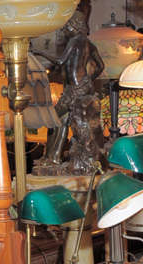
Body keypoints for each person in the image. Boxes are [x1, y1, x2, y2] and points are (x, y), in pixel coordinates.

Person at [36, 10, 105, 174]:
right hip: (83, 86)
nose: (64, 30)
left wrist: (39, 53)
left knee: (53, 119)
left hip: (74, 89)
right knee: (62, 120)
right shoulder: (88, 43)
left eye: (66, 26)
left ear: (74, 26)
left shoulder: (75, 41)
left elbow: (60, 61)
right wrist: (89, 79)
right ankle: (53, 157)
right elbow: (101, 66)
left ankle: (52, 157)